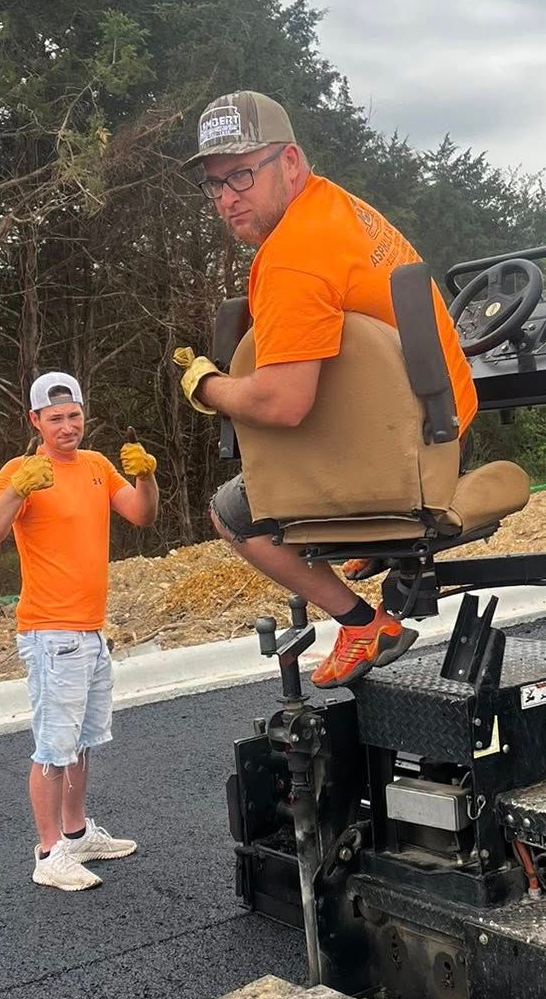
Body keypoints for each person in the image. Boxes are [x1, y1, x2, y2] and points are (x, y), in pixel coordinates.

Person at [173, 90, 479, 686]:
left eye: (241, 175)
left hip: (409, 467)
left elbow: (283, 403)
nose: (227, 197)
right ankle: (376, 539)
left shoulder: (290, 257)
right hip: (448, 432)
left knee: (230, 511)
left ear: (289, 161)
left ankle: (363, 624)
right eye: (214, 184)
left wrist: (206, 385)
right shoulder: (339, 208)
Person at [0, 372, 160, 892]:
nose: (67, 426)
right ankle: (48, 851)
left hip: (91, 631)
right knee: (54, 747)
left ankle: (76, 834)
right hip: (50, 632)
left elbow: (142, 515)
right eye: (55, 418)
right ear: (35, 421)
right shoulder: (22, 471)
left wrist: (146, 476)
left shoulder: (97, 465)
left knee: (81, 742)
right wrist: (17, 490)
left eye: (73, 415)